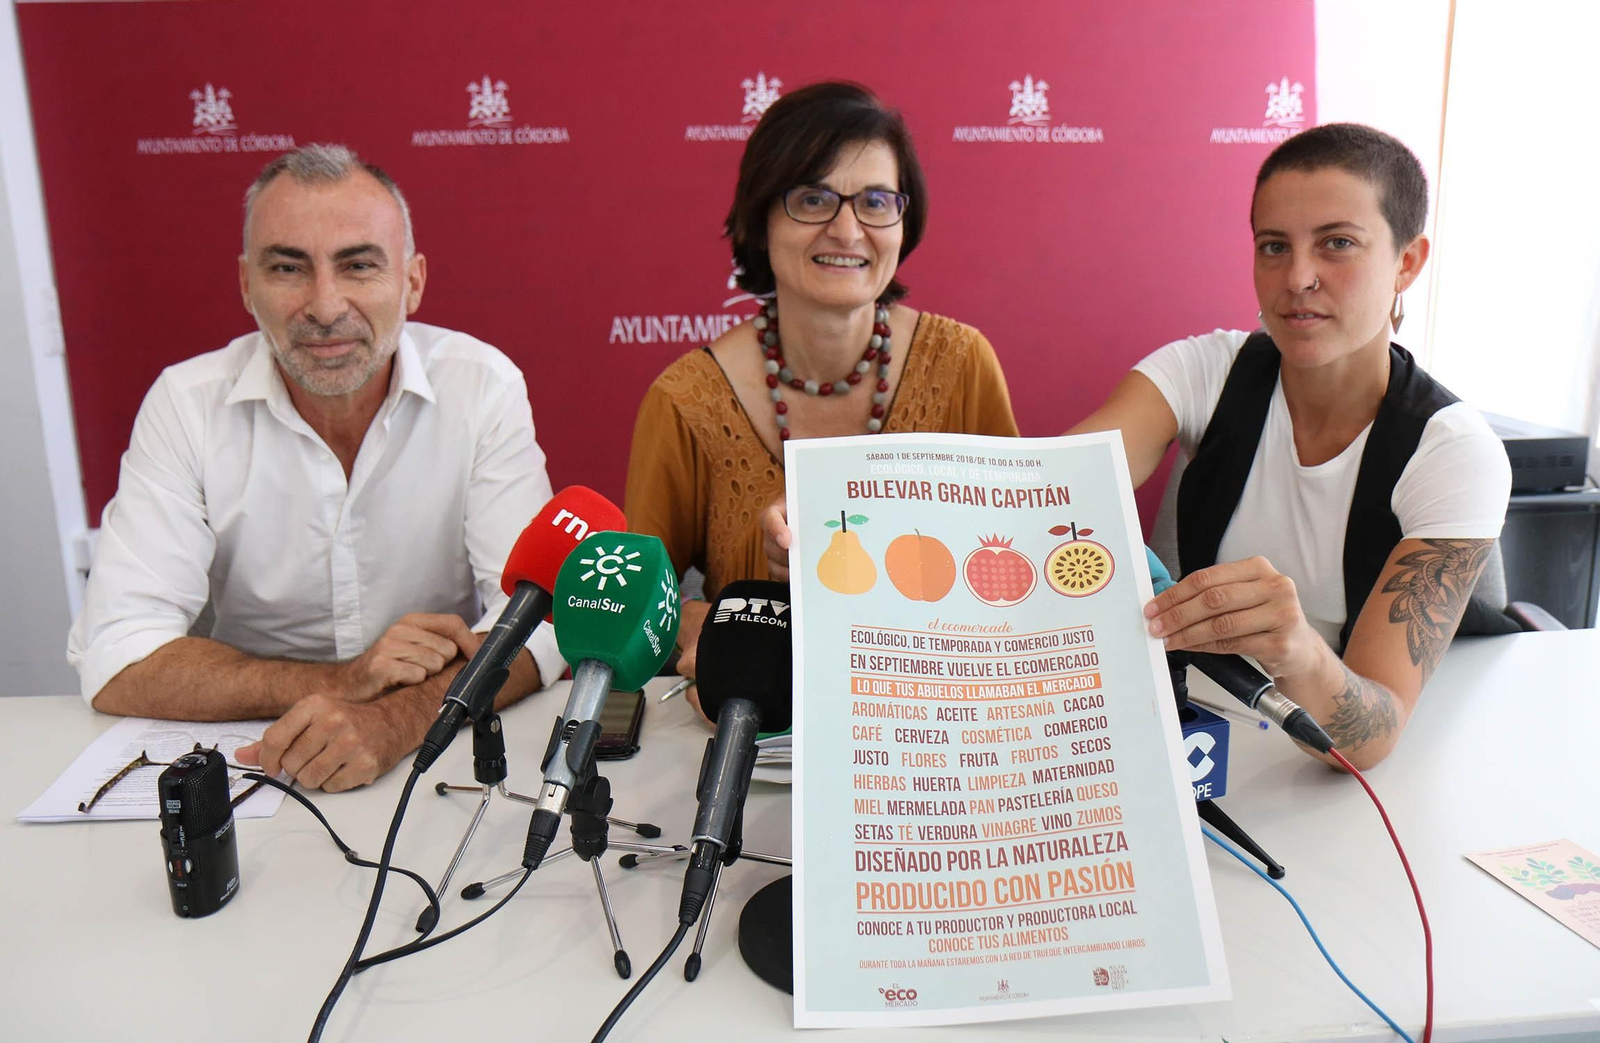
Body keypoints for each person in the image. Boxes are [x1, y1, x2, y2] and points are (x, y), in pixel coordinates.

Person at [66, 144, 564, 791]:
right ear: (247, 283)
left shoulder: (482, 387)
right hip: (251, 754)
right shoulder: (186, 405)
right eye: (288, 268)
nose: (326, 305)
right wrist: (339, 681)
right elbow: (117, 653)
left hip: (428, 753)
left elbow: (539, 621)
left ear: (411, 282)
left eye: (358, 265)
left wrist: (397, 716)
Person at [1068, 123, 1510, 769]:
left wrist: (1294, 646)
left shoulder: (1453, 453)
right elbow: (1051, 487)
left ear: (1407, 262)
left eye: (1337, 243)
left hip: (1388, 766)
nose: (1298, 276)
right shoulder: (1200, 371)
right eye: (1274, 246)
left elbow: (1367, 737)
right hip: (1220, 735)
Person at [625, 82, 1019, 703]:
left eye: (875, 201)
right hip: (752, 734)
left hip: (938, 728)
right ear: (761, 218)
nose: (846, 229)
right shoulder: (685, 399)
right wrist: (717, 629)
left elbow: (1013, 565)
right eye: (813, 198)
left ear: (903, 219)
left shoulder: (964, 363)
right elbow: (634, 597)